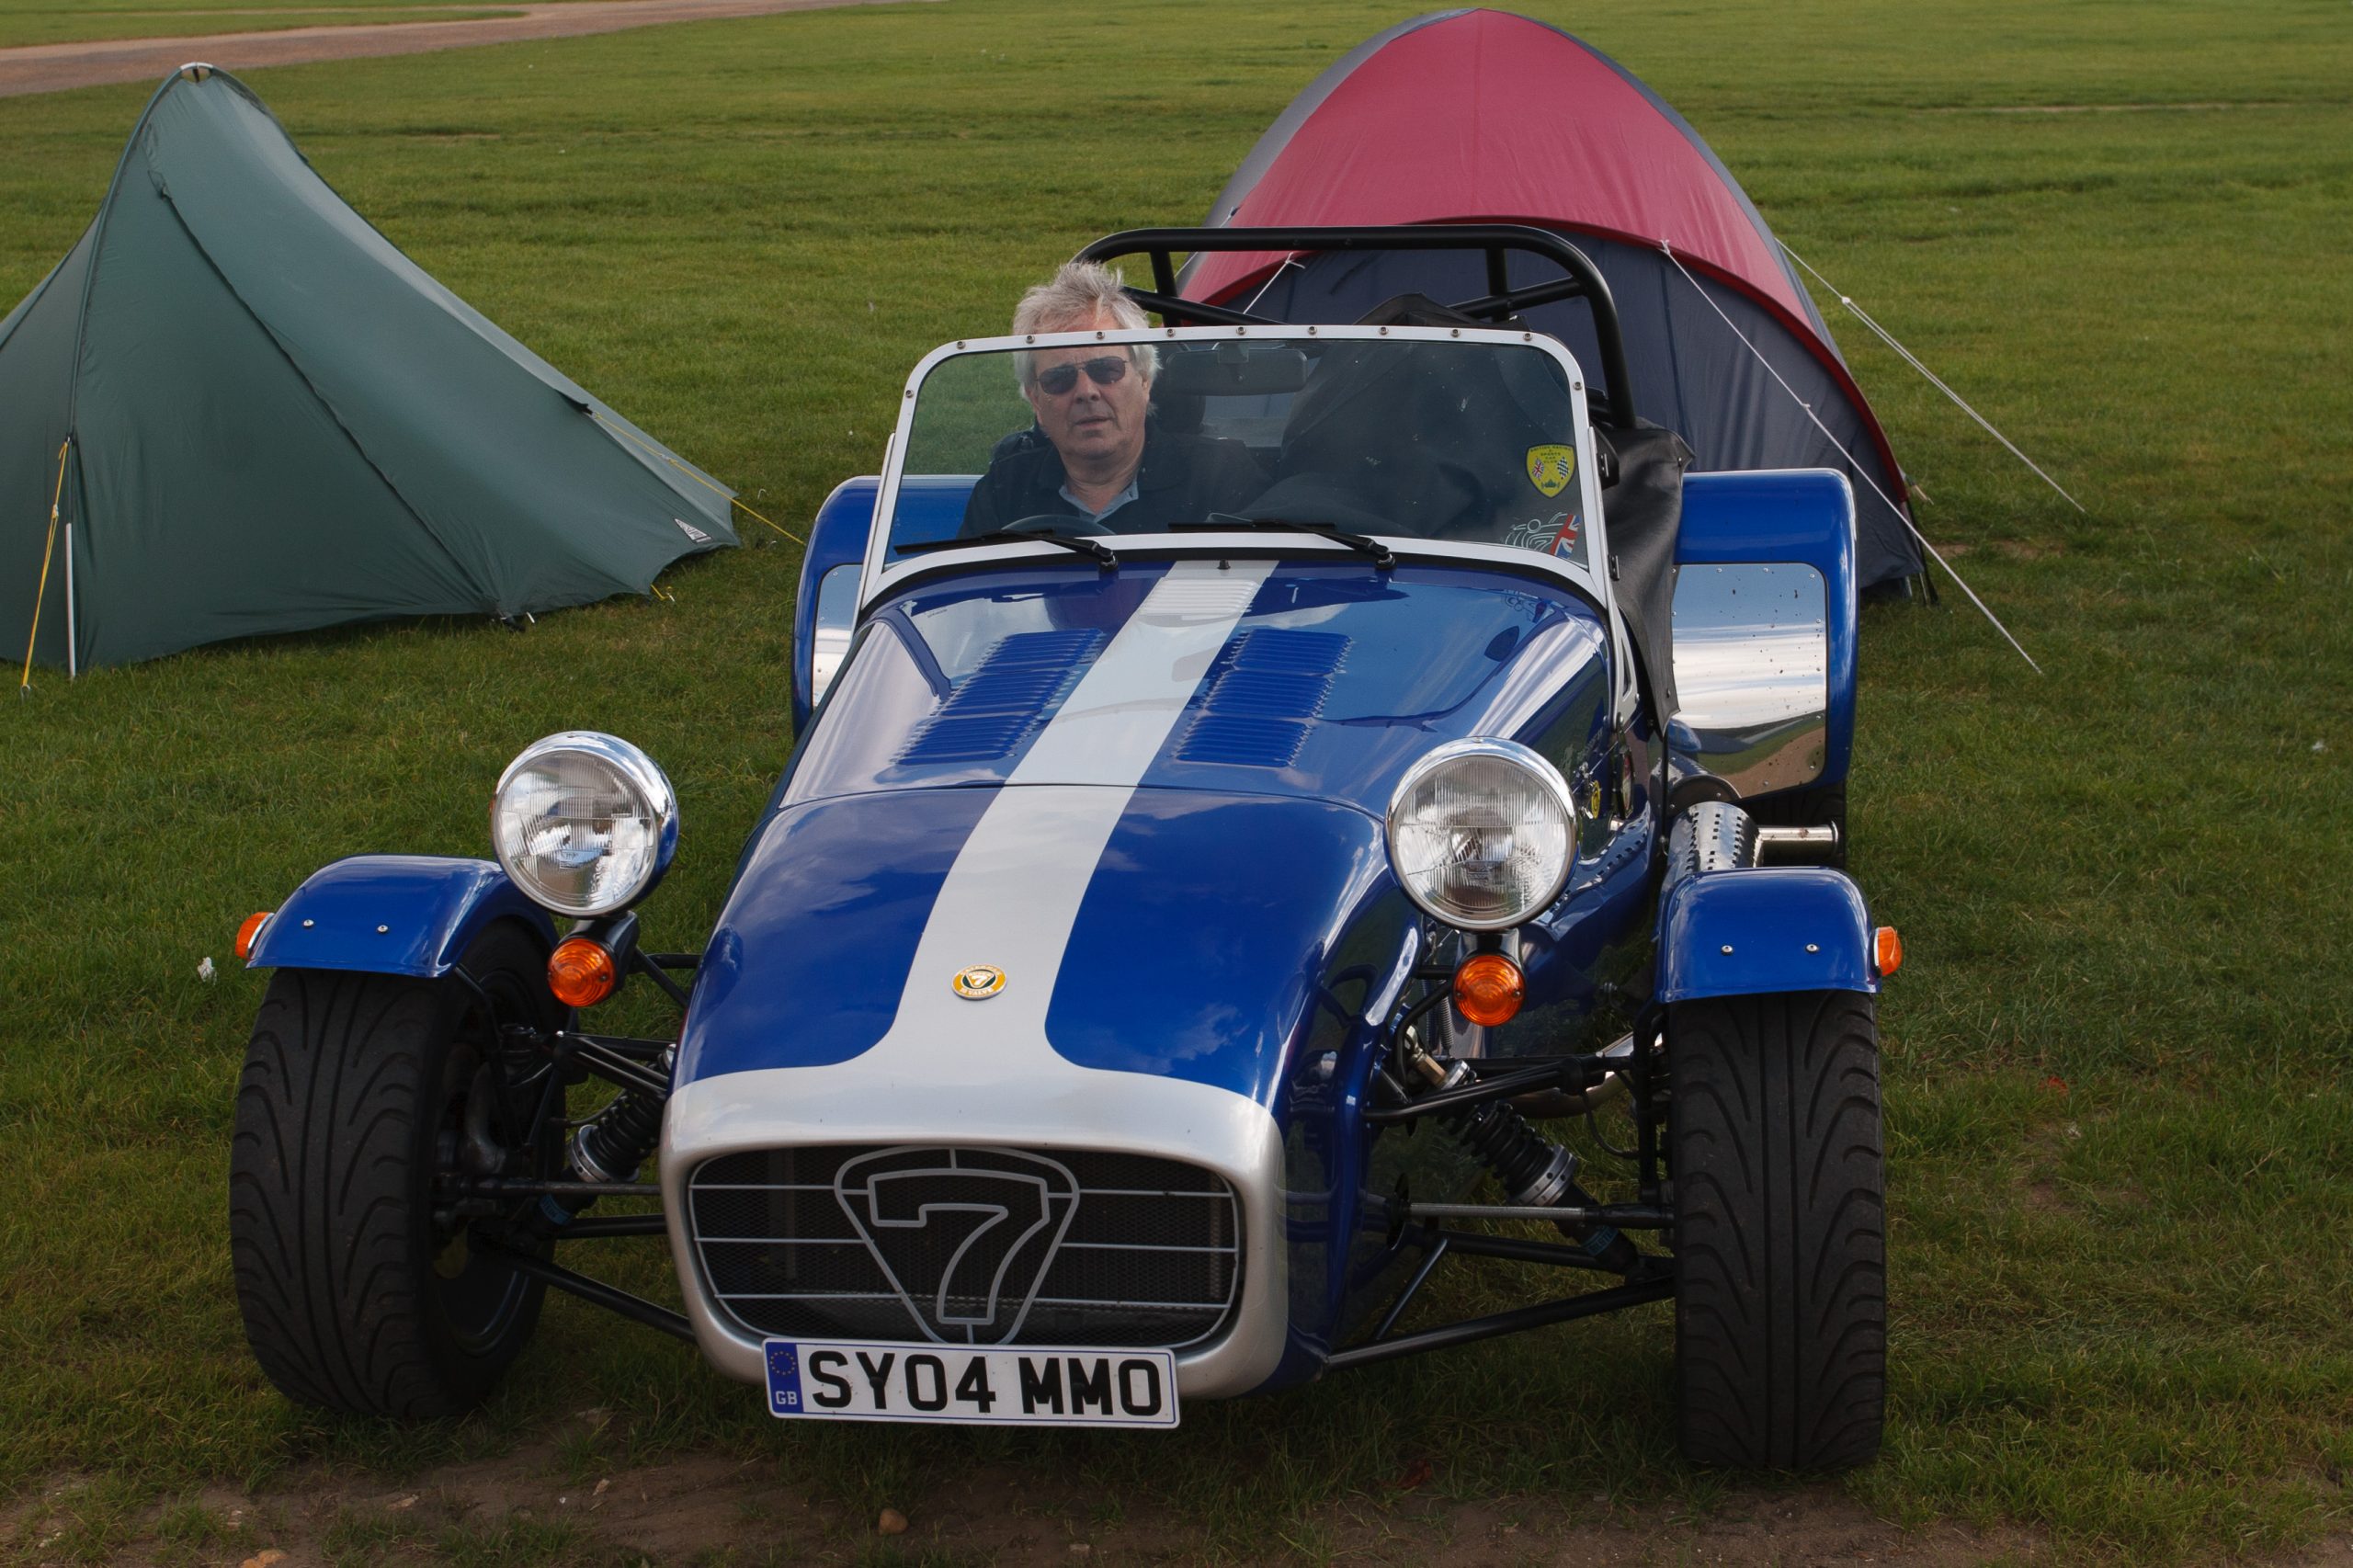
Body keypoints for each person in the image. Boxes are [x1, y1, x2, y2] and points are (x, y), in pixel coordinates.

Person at [961, 262, 1265, 536]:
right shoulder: (1004, 490)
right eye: (1059, 379)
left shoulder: (1222, 477)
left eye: (1106, 369)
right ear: (1036, 400)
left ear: (1145, 379)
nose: (1086, 392)